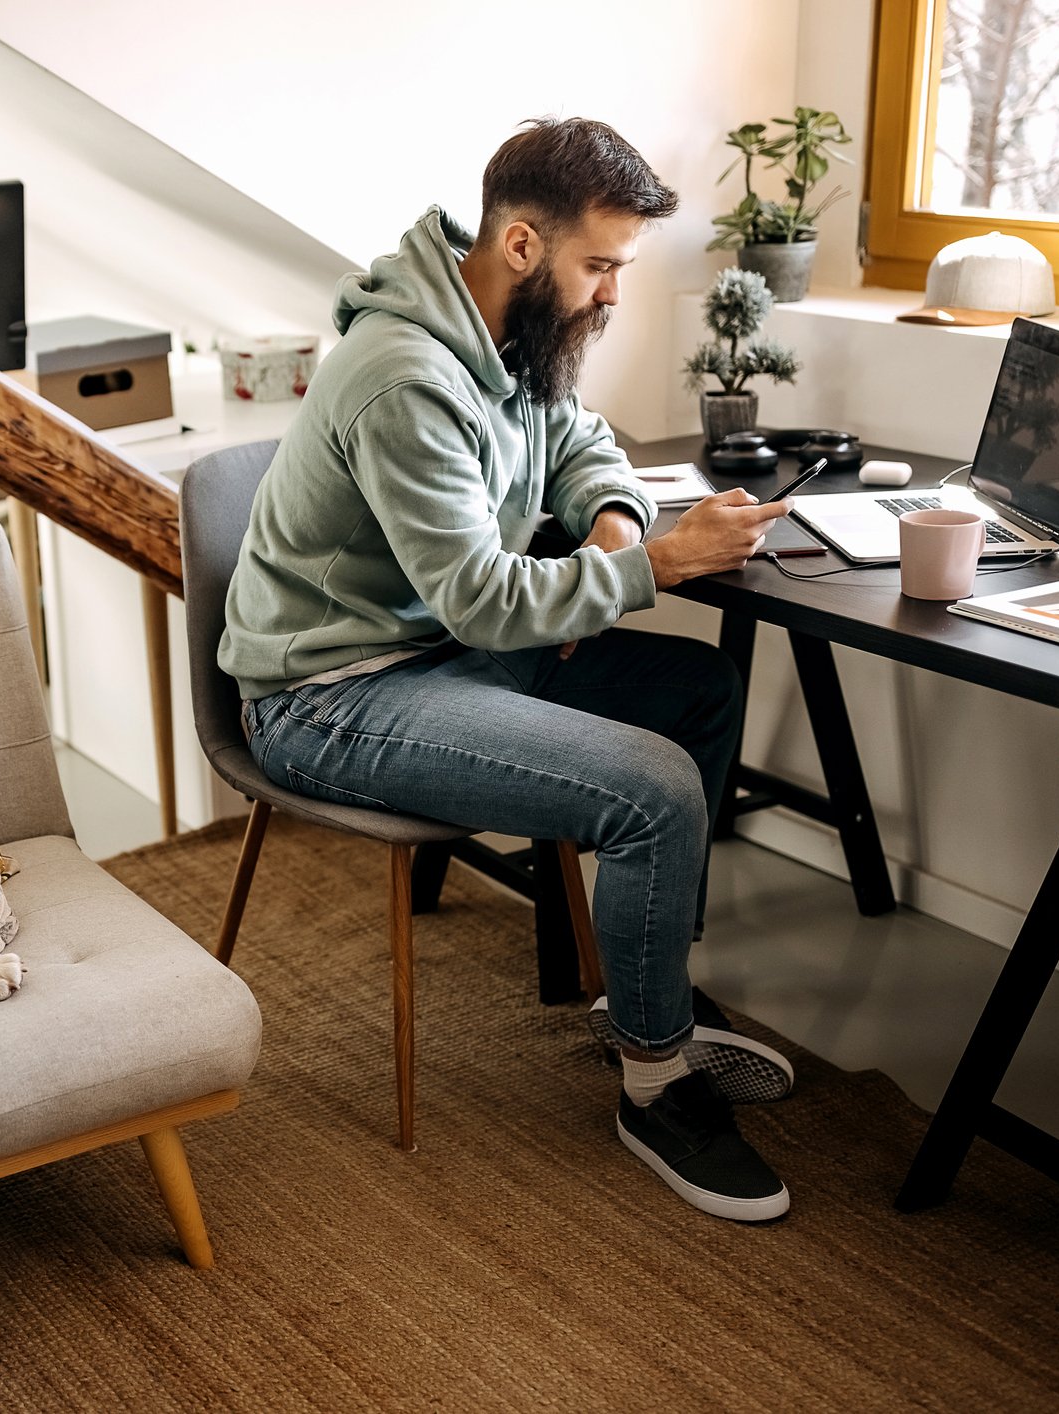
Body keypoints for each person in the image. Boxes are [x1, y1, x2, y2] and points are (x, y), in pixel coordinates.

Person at [220, 118, 798, 1222]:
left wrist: (616, 532)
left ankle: (643, 992)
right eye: (602, 266)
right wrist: (664, 563)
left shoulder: (507, 334)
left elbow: (580, 442)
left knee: (698, 693)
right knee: (652, 784)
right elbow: (482, 595)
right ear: (525, 246)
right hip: (330, 695)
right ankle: (653, 1081)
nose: (612, 295)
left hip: (443, 655)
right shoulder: (404, 374)